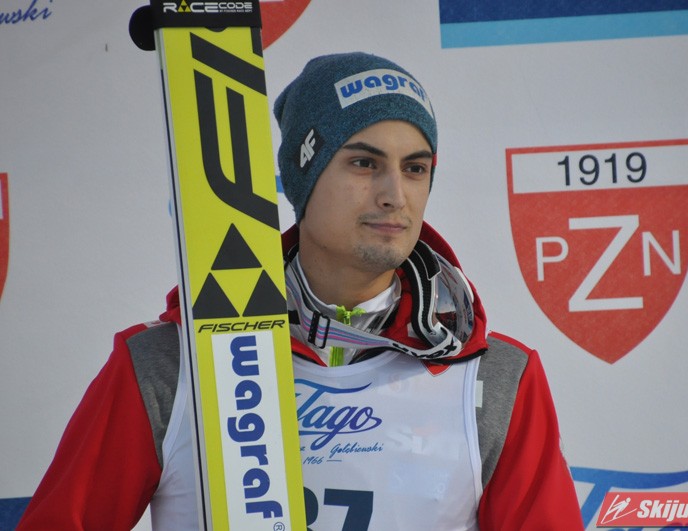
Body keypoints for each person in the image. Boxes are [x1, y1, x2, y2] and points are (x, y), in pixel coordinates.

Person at [18, 52, 583, 530]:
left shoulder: (495, 377)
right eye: (363, 163)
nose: (395, 195)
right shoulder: (169, 364)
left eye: (415, 168)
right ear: (302, 177)